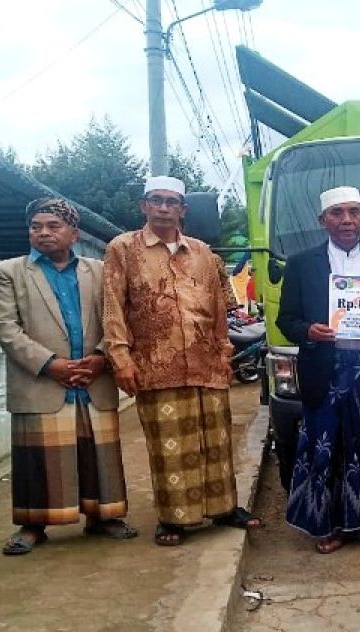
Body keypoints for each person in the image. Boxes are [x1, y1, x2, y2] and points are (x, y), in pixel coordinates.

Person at [102, 176, 259, 546]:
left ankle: (223, 508)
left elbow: (223, 309)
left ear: (182, 210)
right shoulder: (123, 249)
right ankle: (173, 518)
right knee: (169, 444)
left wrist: (224, 353)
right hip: (156, 365)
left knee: (215, 441)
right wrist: (120, 357)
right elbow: (112, 306)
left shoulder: (205, 254)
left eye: (171, 202)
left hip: (207, 363)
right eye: (156, 201)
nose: (163, 208)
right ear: (143, 205)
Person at [0, 198, 137, 555]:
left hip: (93, 378)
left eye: (53, 226)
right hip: (40, 379)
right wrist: (50, 364)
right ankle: (33, 524)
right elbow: (5, 328)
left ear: (73, 233)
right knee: (38, 461)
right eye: (36, 226)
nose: (43, 233)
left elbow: (121, 315)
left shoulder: (99, 270)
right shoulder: (8, 272)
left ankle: (103, 517)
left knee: (97, 454)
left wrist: (102, 357)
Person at [277, 186, 360, 557]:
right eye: (337, 213)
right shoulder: (302, 263)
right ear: (323, 221)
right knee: (326, 450)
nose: (346, 220)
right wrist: (308, 331)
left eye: (354, 212)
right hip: (326, 370)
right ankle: (331, 527)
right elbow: (287, 318)